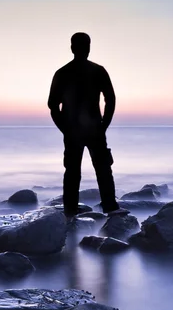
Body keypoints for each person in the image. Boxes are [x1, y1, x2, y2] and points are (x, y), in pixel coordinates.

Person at [47, 32, 128, 216]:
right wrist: (103, 124)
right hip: (91, 129)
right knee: (99, 169)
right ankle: (108, 206)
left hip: (81, 130)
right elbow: (111, 100)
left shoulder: (64, 72)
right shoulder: (95, 71)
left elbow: (53, 106)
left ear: (72, 48)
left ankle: (72, 209)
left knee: (78, 170)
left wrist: (65, 128)